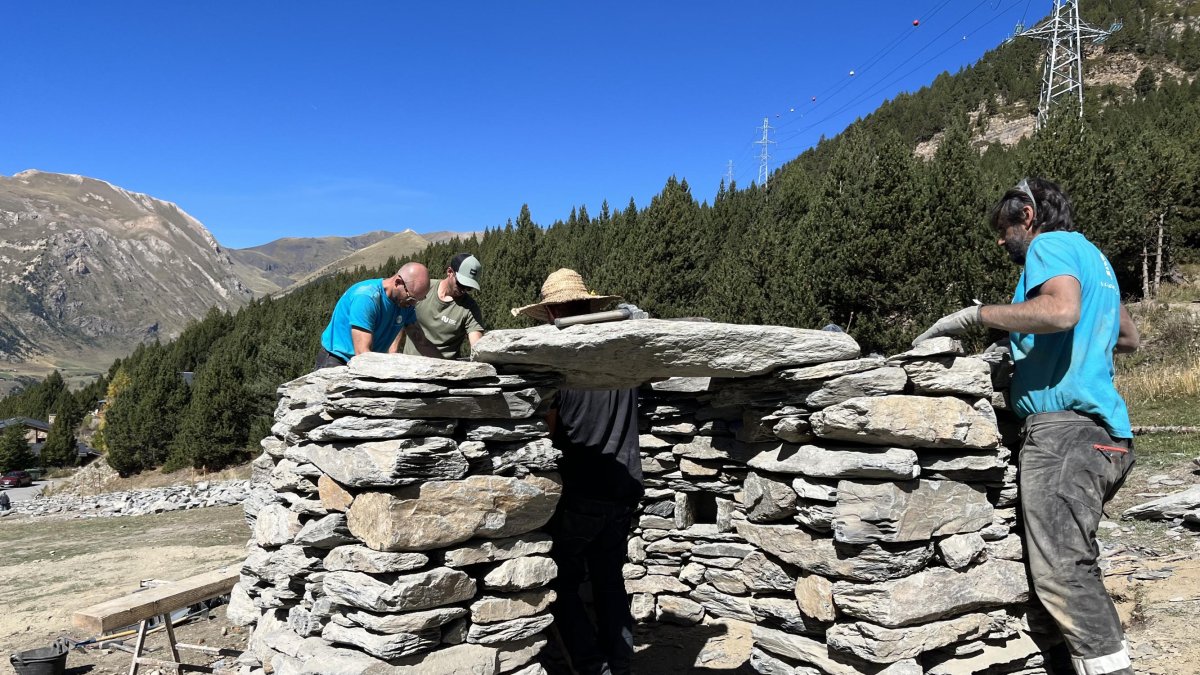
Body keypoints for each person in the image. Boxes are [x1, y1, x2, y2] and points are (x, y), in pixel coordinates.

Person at [913, 177, 1139, 675]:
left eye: (1004, 228)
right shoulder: (1094, 258)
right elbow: (1127, 336)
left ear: (1028, 216)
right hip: (1108, 435)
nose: (1002, 240)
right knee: (1076, 558)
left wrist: (977, 316)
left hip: (1064, 431)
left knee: (1061, 569)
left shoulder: (1050, 245)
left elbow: (1060, 311)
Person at [512, 269, 642, 675]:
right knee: (608, 578)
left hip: (583, 486)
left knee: (563, 580)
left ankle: (589, 663)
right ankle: (621, 661)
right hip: (626, 484)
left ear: (551, 312)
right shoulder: (622, 358)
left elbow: (550, 431)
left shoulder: (560, 366)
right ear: (591, 306)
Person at [314, 262, 431, 369]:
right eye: (411, 299)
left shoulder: (406, 303)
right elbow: (362, 353)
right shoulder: (366, 297)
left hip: (369, 360)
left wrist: (445, 369)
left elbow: (420, 340)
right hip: (338, 360)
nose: (413, 304)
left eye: (418, 300)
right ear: (398, 282)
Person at [401, 253, 486, 359]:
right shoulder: (424, 289)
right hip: (409, 364)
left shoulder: (470, 308)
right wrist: (393, 353)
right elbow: (399, 317)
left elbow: (477, 345)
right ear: (450, 272)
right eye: (461, 284)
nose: (464, 290)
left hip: (444, 371)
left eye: (469, 288)